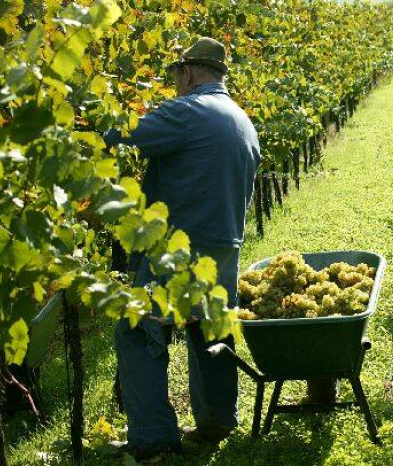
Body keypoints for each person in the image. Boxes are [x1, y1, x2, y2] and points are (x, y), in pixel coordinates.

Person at [105, 37, 261, 461]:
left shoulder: (187, 112)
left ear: (188, 73)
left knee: (138, 334)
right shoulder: (242, 120)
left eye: (177, 74)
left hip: (179, 249)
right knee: (210, 332)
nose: (175, 82)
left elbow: (121, 133)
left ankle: (153, 437)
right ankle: (217, 423)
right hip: (225, 247)